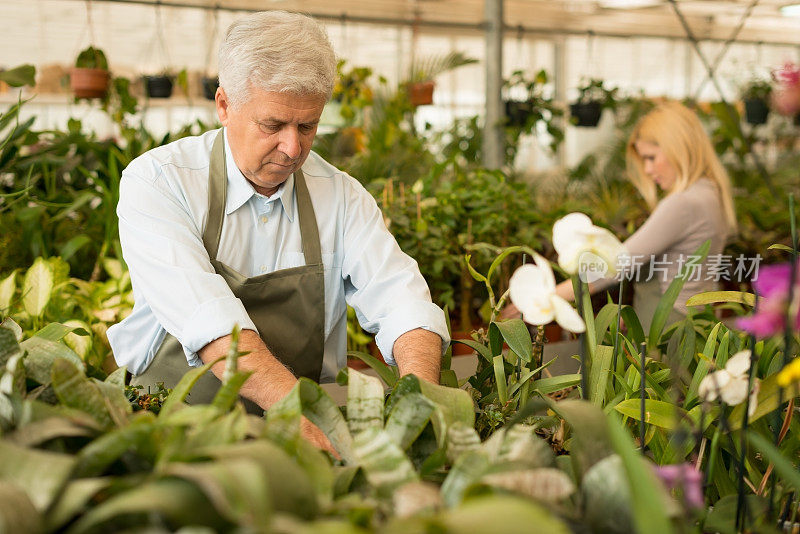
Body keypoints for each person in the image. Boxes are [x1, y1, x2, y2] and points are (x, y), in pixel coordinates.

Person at [107, 11, 449, 450]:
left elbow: (402, 301)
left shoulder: (341, 197)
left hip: (294, 441)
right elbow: (211, 326)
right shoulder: (159, 182)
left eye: (307, 126)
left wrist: (417, 400)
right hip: (166, 431)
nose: (293, 148)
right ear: (224, 105)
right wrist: (298, 417)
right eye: (273, 125)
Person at [557, 101, 738, 329]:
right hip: (694, 319)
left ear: (679, 148)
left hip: (668, 323)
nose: (648, 170)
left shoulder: (682, 203)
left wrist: (549, 296)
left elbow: (618, 263)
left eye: (651, 157)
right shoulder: (711, 192)